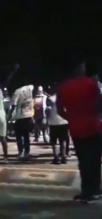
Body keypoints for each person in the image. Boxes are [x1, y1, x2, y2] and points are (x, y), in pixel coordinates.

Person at [57, 60, 101, 203]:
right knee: (95, 160)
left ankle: (86, 190)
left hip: (76, 128)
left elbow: (59, 109)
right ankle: (95, 189)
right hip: (93, 125)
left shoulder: (63, 87)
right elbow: (99, 104)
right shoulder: (91, 83)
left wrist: (71, 118)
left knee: (83, 161)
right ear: (79, 68)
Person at [9, 76, 34, 159]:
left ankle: (20, 152)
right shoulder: (30, 88)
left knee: (19, 136)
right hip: (29, 115)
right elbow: (32, 85)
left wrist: (9, 115)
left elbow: (13, 105)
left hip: (20, 116)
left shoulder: (17, 92)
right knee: (27, 136)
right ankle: (27, 152)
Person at [46, 84, 68, 164]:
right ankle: (63, 156)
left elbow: (47, 110)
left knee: (54, 142)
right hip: (64, 121)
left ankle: (56, 157)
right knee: (63, 141)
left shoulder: (50, 99)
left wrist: (47, 120)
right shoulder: (65, 98)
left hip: (53, 122)